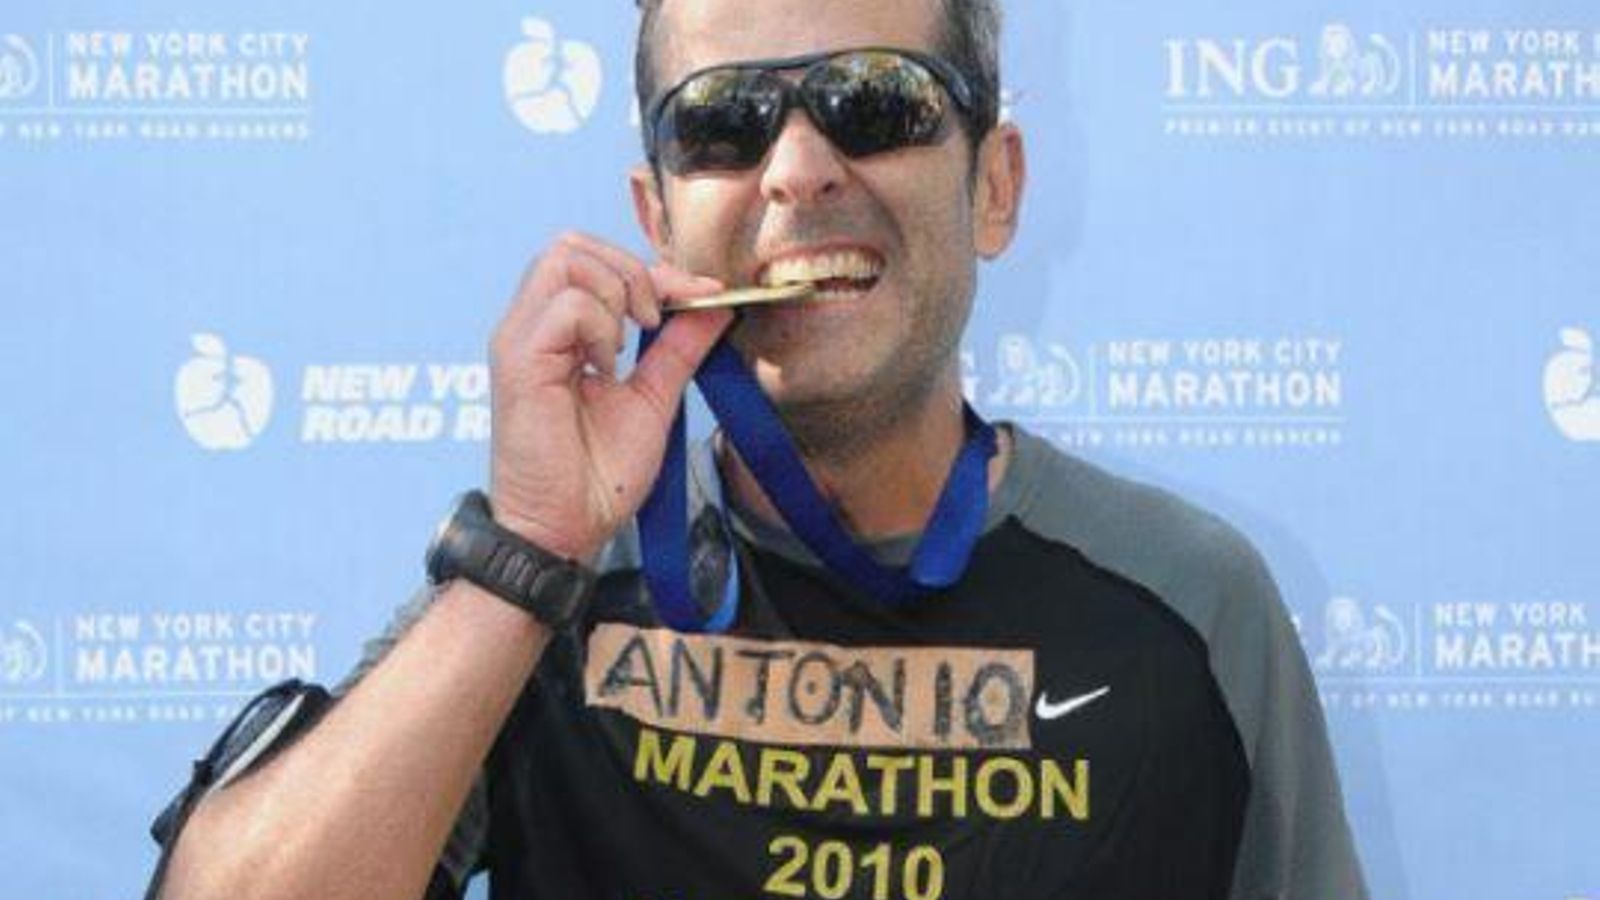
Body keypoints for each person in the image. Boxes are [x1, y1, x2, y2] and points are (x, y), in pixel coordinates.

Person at [155, 0, 1367, 898]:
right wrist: (527, 554)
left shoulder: (1188, 602)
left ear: (994, 188)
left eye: (876, 102)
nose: (795, 172)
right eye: (724, 123)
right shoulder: (551, 594)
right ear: (657, 216)